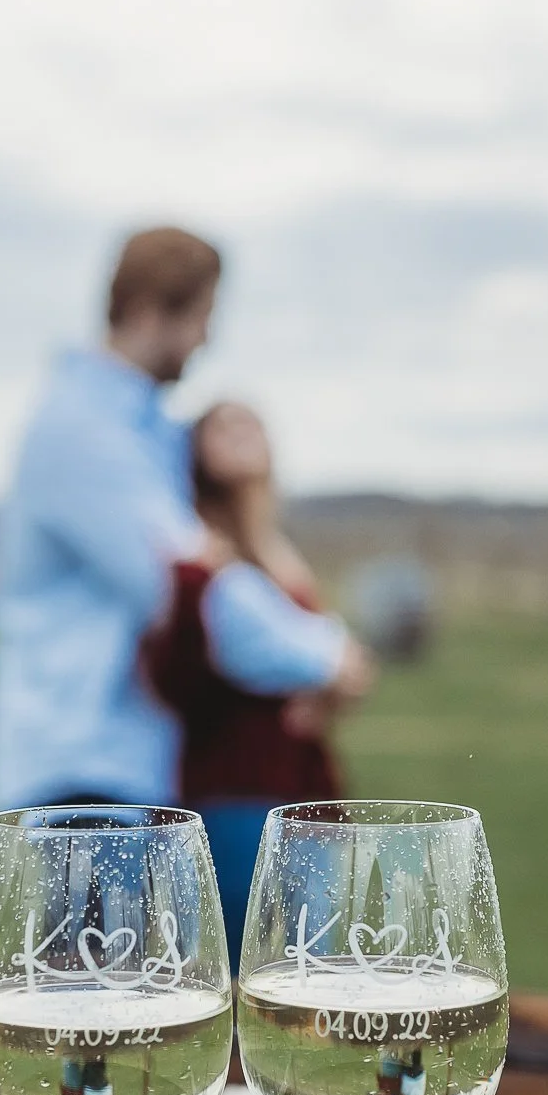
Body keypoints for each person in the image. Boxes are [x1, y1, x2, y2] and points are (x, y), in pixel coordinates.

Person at [0, 227, 369, 815]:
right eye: (202, 315)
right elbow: (189, 585)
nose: (206, 338)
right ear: (148, 310)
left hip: (119, 769)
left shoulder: (140, 432)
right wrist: (326, 657)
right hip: (82, 772)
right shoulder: (85, 433)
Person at [145, 401, 374, 965]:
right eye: (222, 425)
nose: (242, 432)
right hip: (232, 791)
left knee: (307, 973)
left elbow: (341, 670)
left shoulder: (276, 549)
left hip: (300, 790)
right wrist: (325, 666)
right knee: (244, 973)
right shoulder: (198, 549)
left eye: (252, 423)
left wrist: (330, 685)